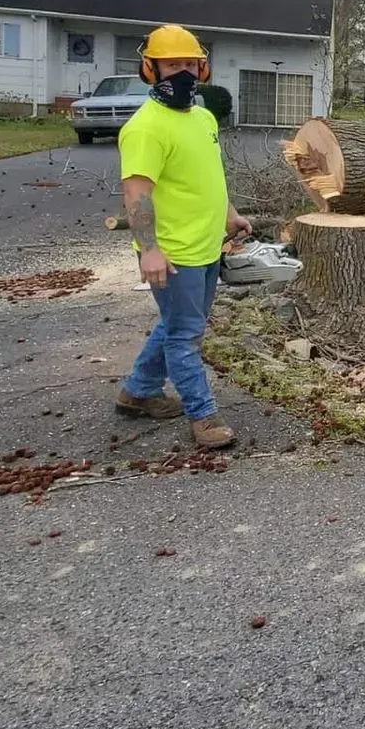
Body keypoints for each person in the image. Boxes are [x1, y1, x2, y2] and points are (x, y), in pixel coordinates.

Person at [115, 24, 250, 449]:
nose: (183, 74)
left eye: (189, 64)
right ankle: (203, 416)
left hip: (207, 245)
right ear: (150, 69)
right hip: (174, 253)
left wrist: (228, 214)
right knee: (186, 334)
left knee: (179, 325)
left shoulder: (204, 117)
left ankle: (138, 391)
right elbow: (136, 193)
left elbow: (207, 176)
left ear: (203, 68)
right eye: (172, 65)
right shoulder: (145, 128)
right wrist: (149, 250)